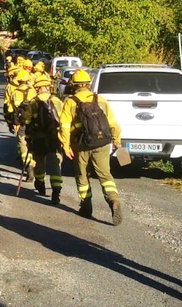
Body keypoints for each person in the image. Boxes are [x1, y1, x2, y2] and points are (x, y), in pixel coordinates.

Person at [58, 68, 124, 224]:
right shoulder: (100, 99)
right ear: (89, 84)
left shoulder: (70, 101)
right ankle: (113, 200)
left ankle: (86, 206)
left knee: (82, 175)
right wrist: (117, 141)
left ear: (73, 85)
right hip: (102, 142)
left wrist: (66, 146)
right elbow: (113, 123)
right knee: (105, 174)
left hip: (81, 145)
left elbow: (64, 126)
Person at [22, 74, 63, 201]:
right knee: (55, 164)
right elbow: (63, 120)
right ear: (48, 87)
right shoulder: (57, 101)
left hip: (38, 138)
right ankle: (56, 190)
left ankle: (40, 183)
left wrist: (28, 137)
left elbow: (27, 121)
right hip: (54, 138)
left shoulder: (33, 102)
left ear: (37, 88)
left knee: (39, 163)